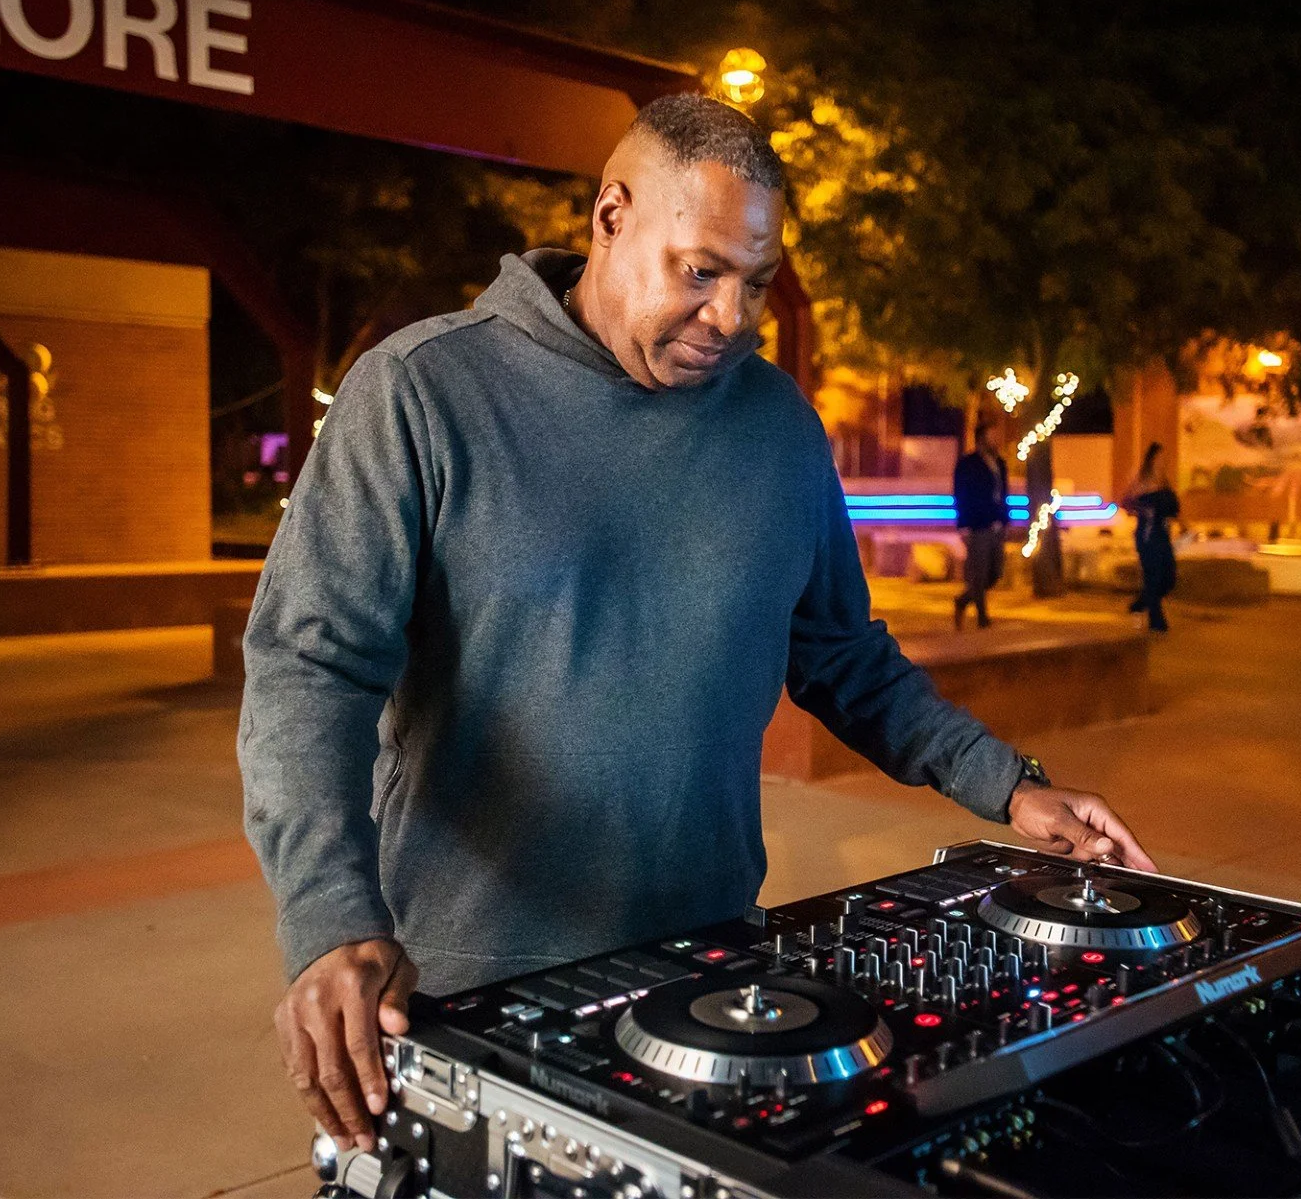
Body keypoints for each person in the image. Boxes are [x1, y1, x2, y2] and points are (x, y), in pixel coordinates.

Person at [239, 94, 1156, 1154]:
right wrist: (329, 922)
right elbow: (310, 671)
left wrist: (1009, 783)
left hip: (715, 986)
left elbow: (843, 656)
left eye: (757, 282)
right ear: (612, 218)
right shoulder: (423, 393)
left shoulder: (777, 426)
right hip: (464, 989)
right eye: (701, 271)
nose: (733, 316)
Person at [952, 410, 1009, 629]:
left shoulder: (1000, 463)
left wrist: (1005, 519)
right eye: (991, 435)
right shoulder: (968, 464)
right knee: (980, 570)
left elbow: (1003, 493)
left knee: (995, 573)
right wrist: (963, 523)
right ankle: (983, 617)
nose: (996, 439)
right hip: (978, 524)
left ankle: (963, 599)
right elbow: (961, 493)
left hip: (996, 523)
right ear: (981, 438)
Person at [1120, 441, 1180, 632]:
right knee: (1153, 576)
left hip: (1163, 535)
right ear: (1152, 459)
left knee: (1168, 577)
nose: (1164, 461)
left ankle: (1141, 602)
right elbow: (1126, 503)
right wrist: (1143, 510)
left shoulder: (1165, 482)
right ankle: (1156, 621)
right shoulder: (1142, 481)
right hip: (1147, 535)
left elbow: (1172, 510)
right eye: (1160, 458)